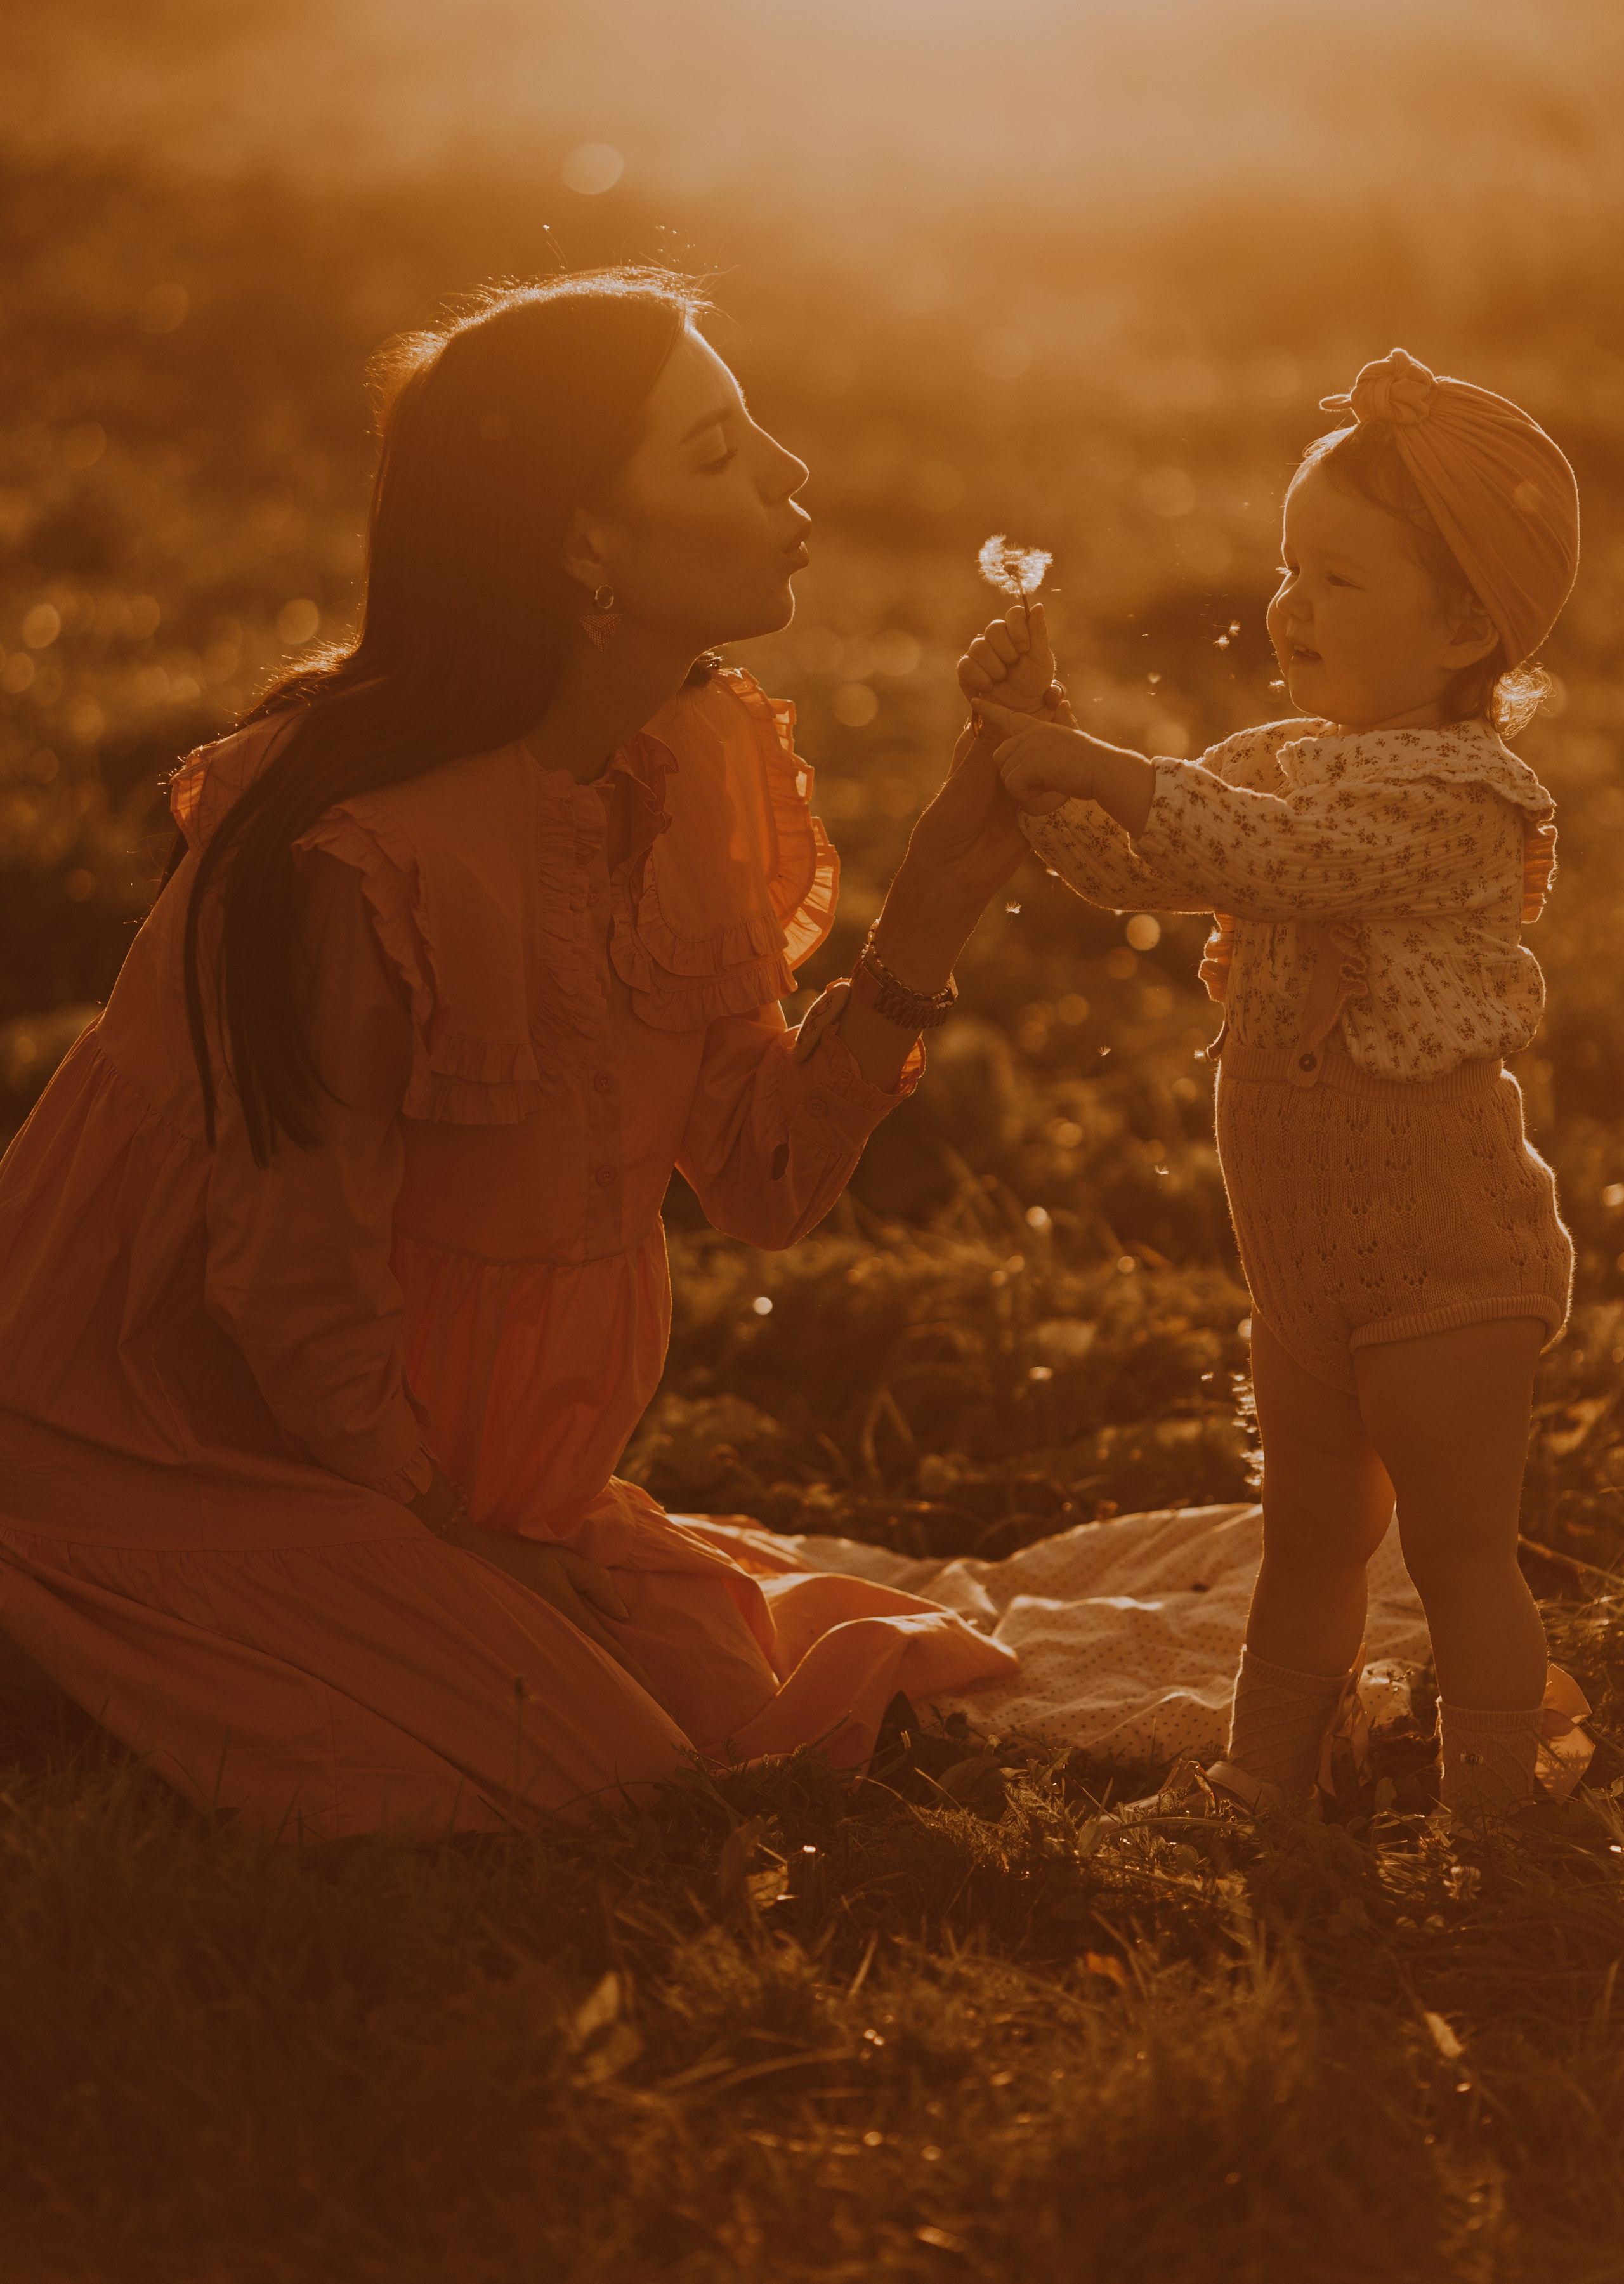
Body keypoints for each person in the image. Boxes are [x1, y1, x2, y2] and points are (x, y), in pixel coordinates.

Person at [0, 268, 1021, 1838]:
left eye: (753, 433)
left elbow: (760, 1180)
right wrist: (449, 1541)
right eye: (711, 451)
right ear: (579, 540)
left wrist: (938, 900)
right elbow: (288, 1284)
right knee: (600, 1785)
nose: (785, 476)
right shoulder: (356, 853)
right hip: (180, 1434)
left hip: (481, 1469)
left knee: (728, 1716)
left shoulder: (693, 763)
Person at [962, 346, 1585, 1825]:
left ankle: (1494, 1829)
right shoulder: (1287, 760)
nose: (1289, 606)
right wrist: (1036, 754)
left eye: (1341, 580)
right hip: (1303, 1264)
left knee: (1453, 1550)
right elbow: (1149, 859)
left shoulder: (1455, 803)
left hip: (1440, 1260)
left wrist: (1105, 764)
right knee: (1307, 1533)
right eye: (1287, 565)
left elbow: (1265, 861)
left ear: (1461, 627)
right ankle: (1265, 1784)